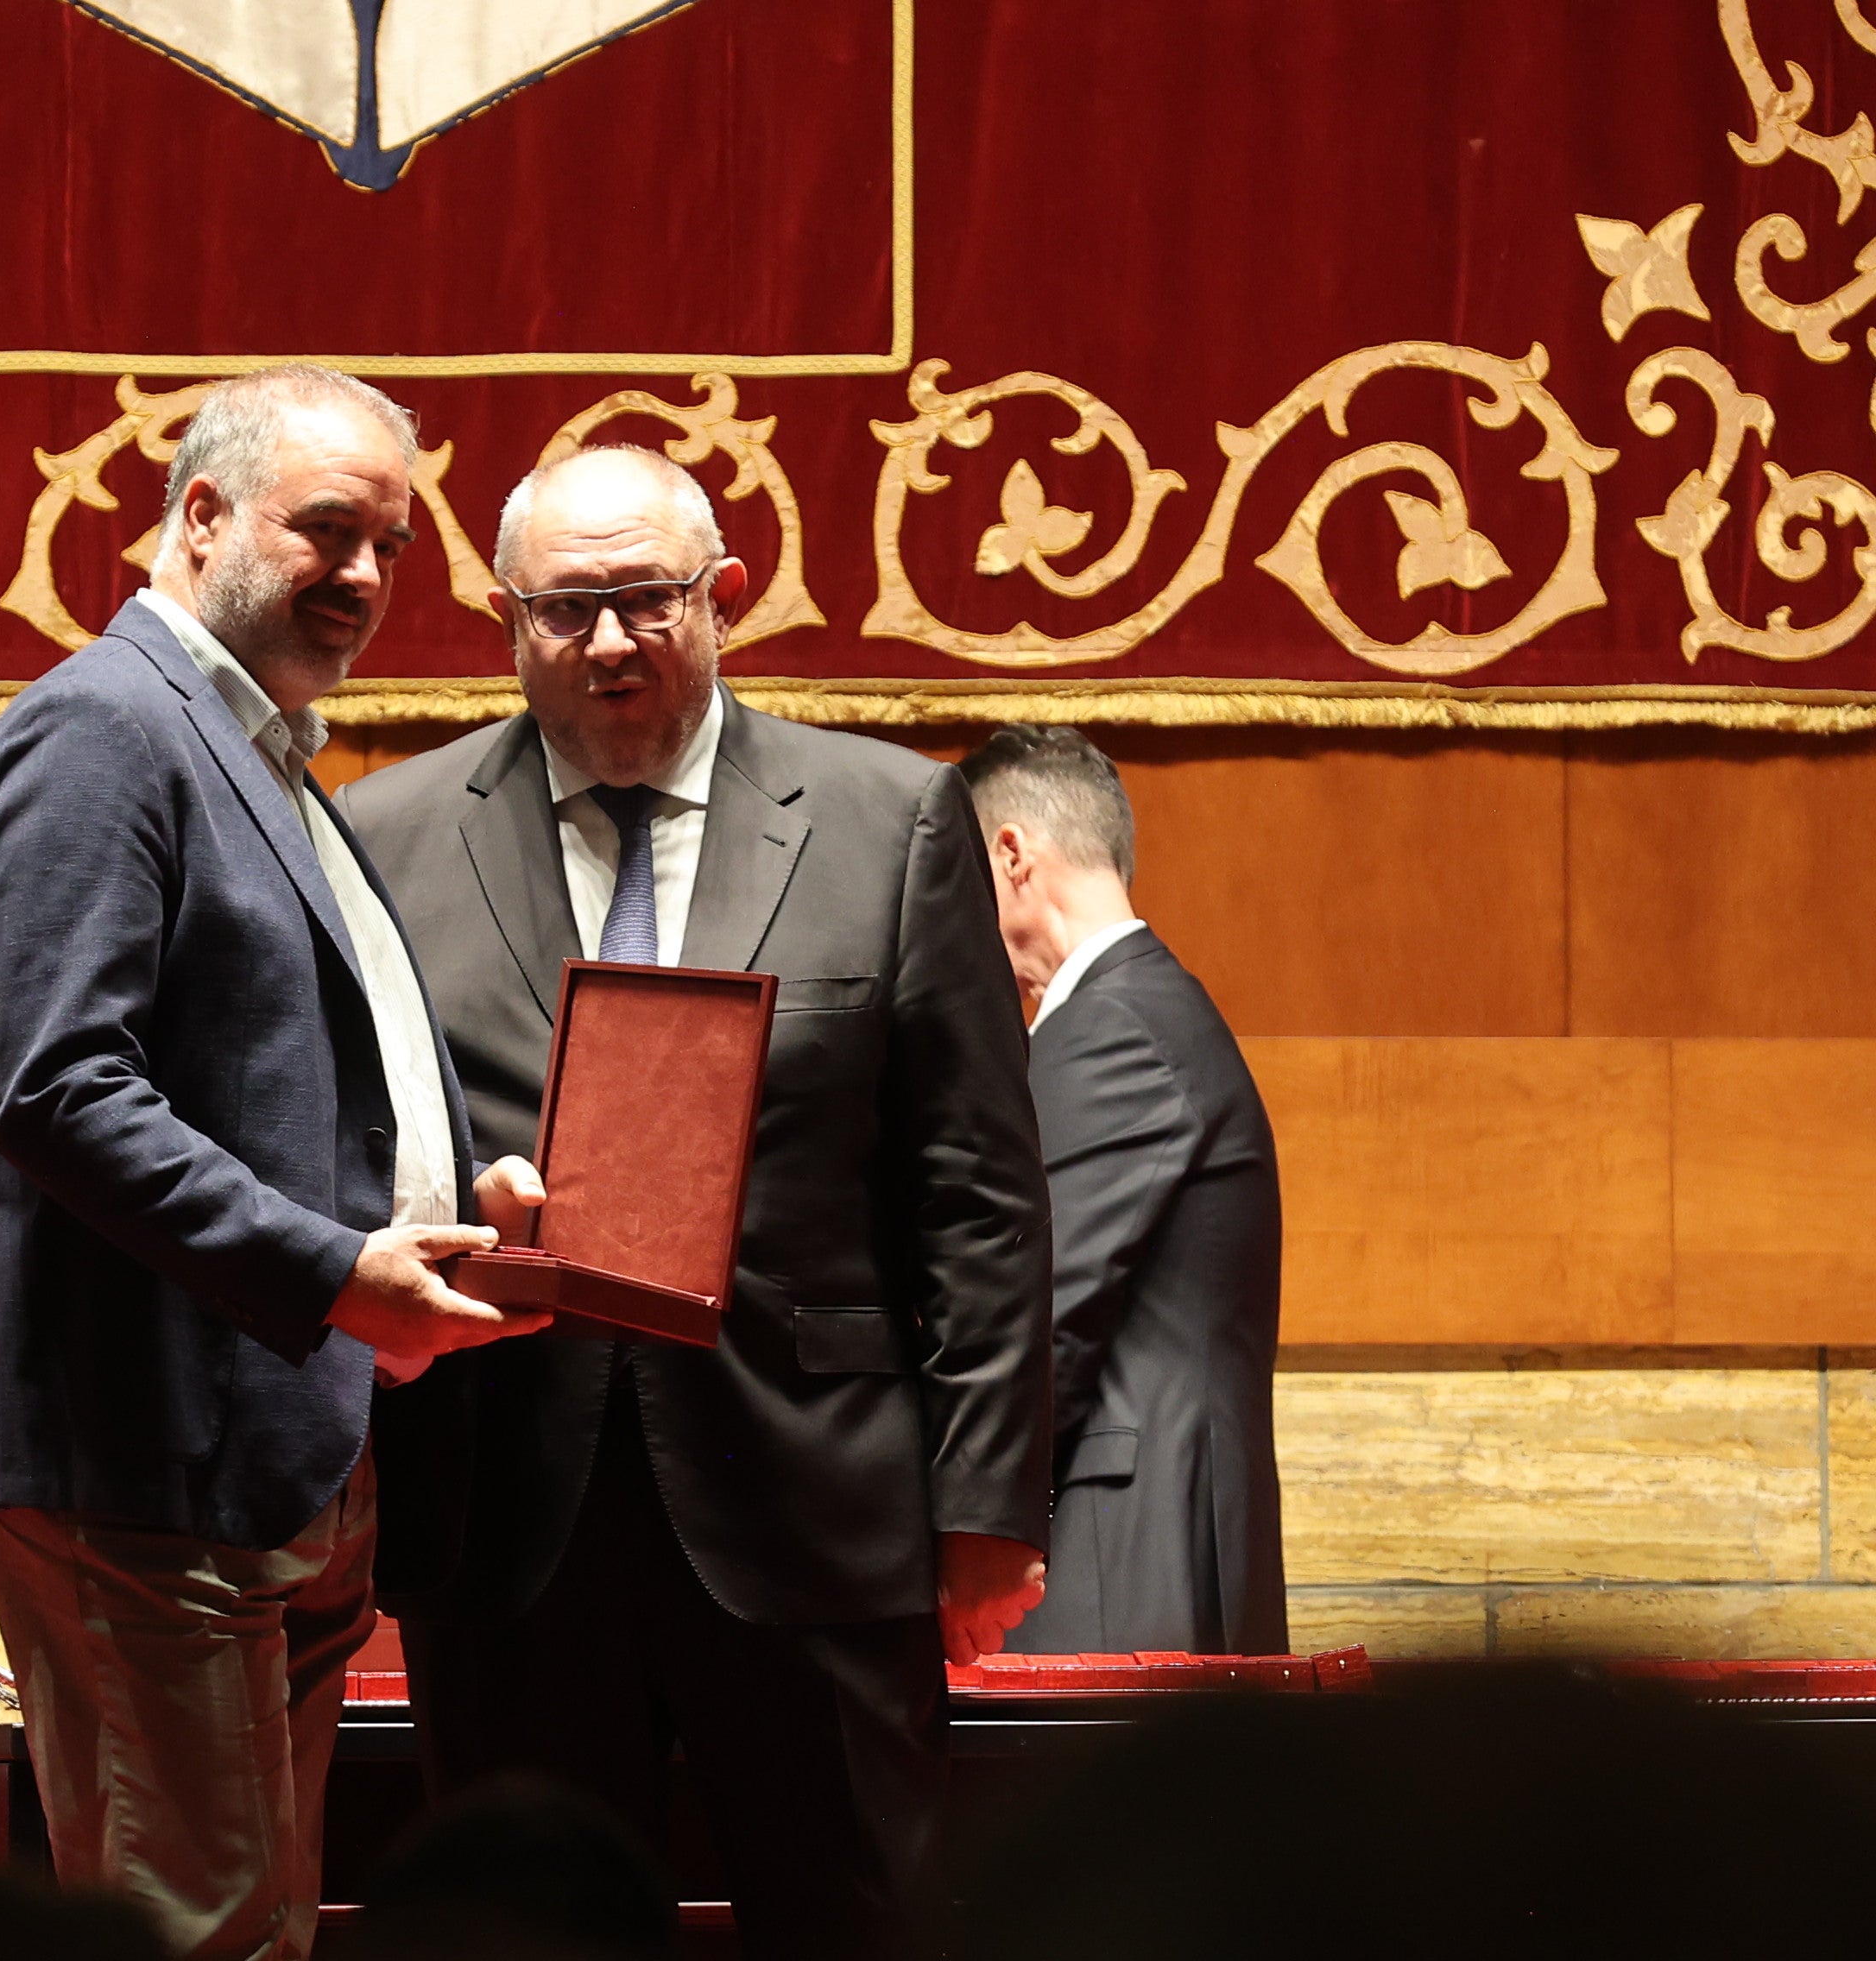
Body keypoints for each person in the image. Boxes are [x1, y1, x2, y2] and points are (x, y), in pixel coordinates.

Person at [341, 445, 1055, 1959]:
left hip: (813, 1508)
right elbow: (341, 1148)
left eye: (647, 600)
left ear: (721, 596)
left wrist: (987, 1502)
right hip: (509, 1517)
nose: (608, 642)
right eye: (567, 608)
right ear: (503, 618)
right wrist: (443, 1204)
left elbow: (976, 1191)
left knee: (864, 1925)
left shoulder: (889, 819)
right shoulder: (385, 837)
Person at [0, 363, 548, 1961]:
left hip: (270, 1456)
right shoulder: (98, 732)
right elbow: (55, 1088)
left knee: (258, 1932)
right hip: (147, 1465)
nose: (360, 576)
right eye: (324, 529)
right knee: (193, 1937)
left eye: (390, 549)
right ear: (199, 515)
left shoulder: (255, 750)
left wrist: (438, 1205)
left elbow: (281, 1083)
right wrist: (337, 1271)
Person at [959, 725, 1285, 1656]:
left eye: (954, 885)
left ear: (1011, 853)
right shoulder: (1138, 1010)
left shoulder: (1115, 1027)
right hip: (1140, 1546)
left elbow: (1032, 1317)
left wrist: (948, 1531)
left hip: (1117, 1558)